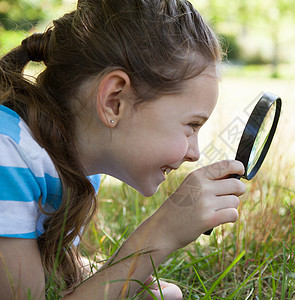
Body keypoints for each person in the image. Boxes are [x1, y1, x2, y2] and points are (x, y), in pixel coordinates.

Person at [0, 0, 246, 299]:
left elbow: (48, 272)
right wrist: (158, 236)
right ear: (114, 100)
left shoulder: (76, 168)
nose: (195, 153)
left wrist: (126, 279)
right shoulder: (7, 154)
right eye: (191, 125)